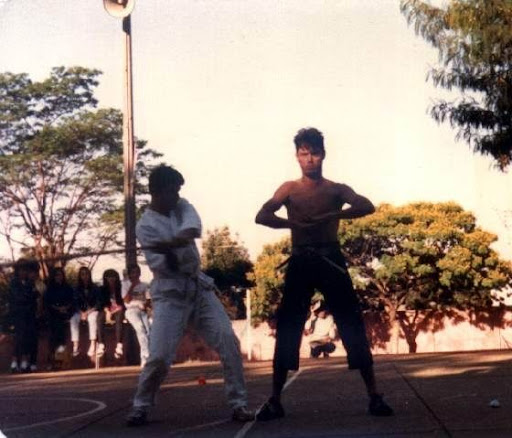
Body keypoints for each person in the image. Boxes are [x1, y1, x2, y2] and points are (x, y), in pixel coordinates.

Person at [254, 127, 393, 420]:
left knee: (351, 323)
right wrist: (294, 226)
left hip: (331, 258)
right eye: (304, 154)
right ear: (297, 157)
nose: (310, 159)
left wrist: (334, 215)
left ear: (323, 154)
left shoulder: (335, 189)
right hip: (301, 260)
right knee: (289, 326)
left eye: (314, 153)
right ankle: (275, 399)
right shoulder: (288, 188)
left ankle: (375, 396)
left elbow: (365, 205)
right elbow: (263, 215)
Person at [126, 165, 254, 426]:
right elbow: (169, 266)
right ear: (157, 192)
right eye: (172, 191)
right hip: (169, 295)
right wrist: (170, 248)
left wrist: (175, 240)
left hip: (199, 289)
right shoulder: (145, 227)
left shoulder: (182, 205)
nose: (177, 195)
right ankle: (140, 406)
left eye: (177, 190)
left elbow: (193, 229)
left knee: (228, 340)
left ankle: (239, 404)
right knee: (160, 356)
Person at [8, 259, 40, 373]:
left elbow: (36, 295)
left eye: (25, 270)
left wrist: (31, 295)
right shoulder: (13, 283)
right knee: (19, 338)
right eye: (21, 269)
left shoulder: (30, 283)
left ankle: (25, 361)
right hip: (17, 314)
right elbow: (18, 298)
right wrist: (30, 295)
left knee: (29, 337)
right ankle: (14, 361)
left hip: (29, 314)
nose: (23, 272)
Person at [44, 267, 75, 367]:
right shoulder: (49, 289)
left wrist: (65, 308)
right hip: (53, 314)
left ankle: (60, 359)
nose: (59, 277)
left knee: (62, 337)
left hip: (65, 314)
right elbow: (47, 303)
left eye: (60, 275)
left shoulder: (68, 288)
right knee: (53, 336)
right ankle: (51, 359)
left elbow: (72, 301)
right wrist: (57, 309)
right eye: (57, 275)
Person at [122, 264, 151, 367]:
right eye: (132, 273)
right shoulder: (125, 284)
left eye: (136, 272)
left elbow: (148, 299)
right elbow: (126, 300)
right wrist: (132, 285)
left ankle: (148, 357)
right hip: (131, 310)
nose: (134, 275)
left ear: (139, 273)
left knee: (148, 330)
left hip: (142, 310)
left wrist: (145, 305)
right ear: (129, 274)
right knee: (140, 328)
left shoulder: (144, 285)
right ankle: (145, 357)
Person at [70, 266, 102, 358]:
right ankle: (76, 345)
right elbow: (74, 303)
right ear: (80, 276)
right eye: (82, 274)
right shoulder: (75, 289)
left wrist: (88, 312)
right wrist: (81, 313)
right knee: (73, 319)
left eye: (87, 274)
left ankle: (92, 344)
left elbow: (98, 303)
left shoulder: (95, 288)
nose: (85, 276)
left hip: (92, 311)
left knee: (92, 319)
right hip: (80, 312)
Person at [97, 269, 125, 359]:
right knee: (99, 317)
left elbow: (123, 304)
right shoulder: (102, 289)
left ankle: (119, 345)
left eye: (113, 277)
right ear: (105, 278)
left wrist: (114, 311)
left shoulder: (120, 288)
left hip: (118, 310)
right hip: (107, 310)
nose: (111, 279)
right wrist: (108, 311)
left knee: (119, 317)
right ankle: (101, 344)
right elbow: (101, 303)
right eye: (108, 277)